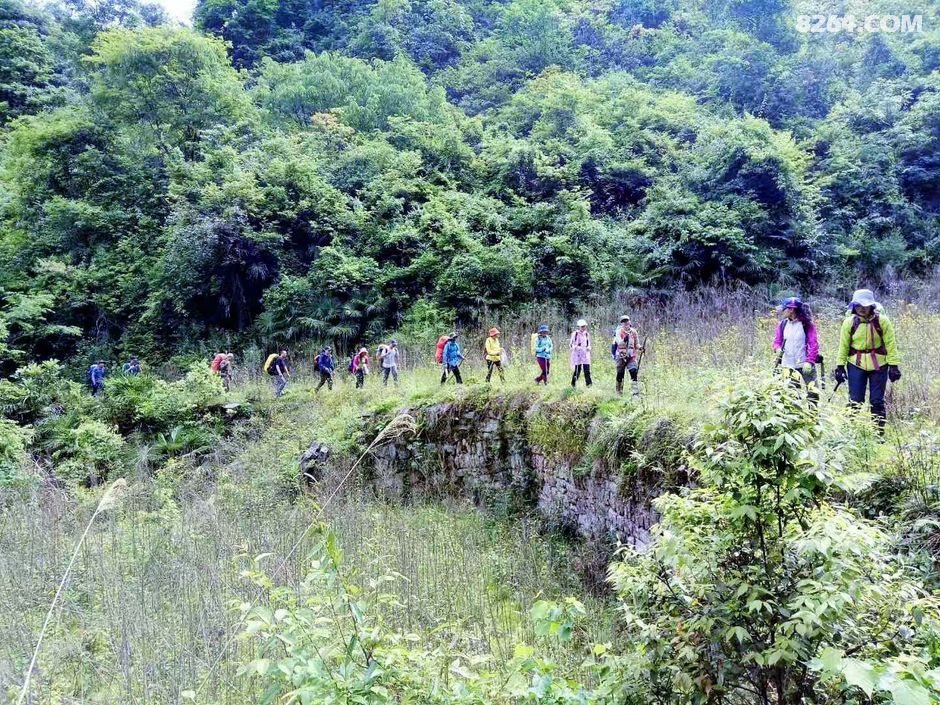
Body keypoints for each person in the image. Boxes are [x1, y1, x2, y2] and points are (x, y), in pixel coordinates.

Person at [835, 289, 901, 430]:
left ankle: (878, 432)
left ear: (871, 306)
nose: (861, 308)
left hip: (879, 364)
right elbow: (843, 345)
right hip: (855, 364)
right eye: (858, 305)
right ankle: (850, 430)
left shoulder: (882, 321)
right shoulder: (849, 323)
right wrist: (840, 366)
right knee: (855, 400)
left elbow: (890, 344)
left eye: (865, 305)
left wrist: (894, 366)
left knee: (877, 401)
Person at [773, 297, 820, 406]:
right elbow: (777, 342)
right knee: (792, 396)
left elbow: (813, 344)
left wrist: (809, 361)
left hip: (805, 365)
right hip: (788, 366)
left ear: (791, 310)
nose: (782, 311)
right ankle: (796, 416)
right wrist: (778, 349)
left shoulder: (806, 325)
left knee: (812, 394)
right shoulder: (782, 325)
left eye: (784, 309)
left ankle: (813, 415)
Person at [613, 315, 641, 397]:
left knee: (633, 372)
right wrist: (625, 339)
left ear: (629, 321)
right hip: (621, 356)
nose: (625, 323)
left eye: (627, 321)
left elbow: (636, 344)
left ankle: (635, 393)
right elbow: (619, 342)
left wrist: (640, 348)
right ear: (621, 323)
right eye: (623, 321)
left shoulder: (634, 332)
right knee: (620, 374)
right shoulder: (618, 332)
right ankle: (619, 392)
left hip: (631, 356)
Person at [569, 319, 592, 388]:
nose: (583, 328)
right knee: (577, 370)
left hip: (585, 354)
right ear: (578, 327)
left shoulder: (587, 334)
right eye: (582, 326)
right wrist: (577, 348)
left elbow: (588, 343)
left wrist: (589, 347)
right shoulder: (575, 334)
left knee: (587, 370)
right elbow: (571, 345)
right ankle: (573, 384)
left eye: (584, 326)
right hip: (577, 355)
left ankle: (589, 385)